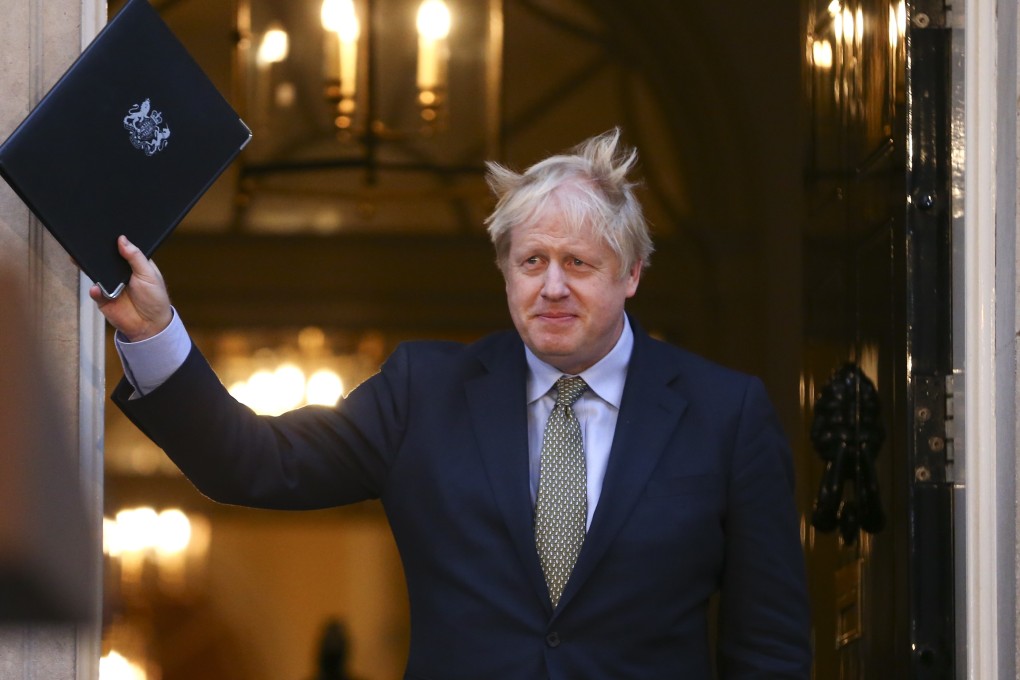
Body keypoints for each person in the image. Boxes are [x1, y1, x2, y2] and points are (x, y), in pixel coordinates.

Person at [93, 128, 812, 678]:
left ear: (632, 274)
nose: (552, 287)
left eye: (579, 264)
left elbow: (769, 647)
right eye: (532, 261)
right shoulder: (424, 394)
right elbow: (250, 464)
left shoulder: (726, 416)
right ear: (505, 272)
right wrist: (156, 334)